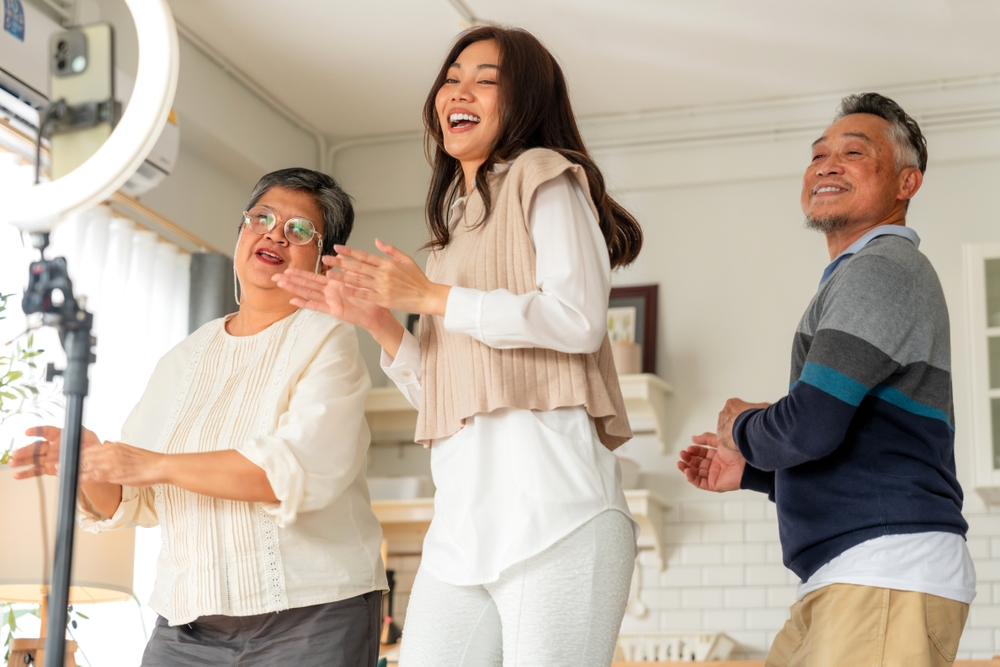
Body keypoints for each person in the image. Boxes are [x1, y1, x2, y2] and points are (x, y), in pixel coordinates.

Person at [276, 26, 643, 667]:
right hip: (461, 533)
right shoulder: (451, 236)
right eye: (450, 77)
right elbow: (446, 390)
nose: (458, 91)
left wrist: (435, 299)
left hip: (560, 517)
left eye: (485, 79)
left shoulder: (546, 177)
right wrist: (383, 322)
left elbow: (578, 319)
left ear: (525, 100)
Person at [12, 168, 388, 667]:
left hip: (310, 620)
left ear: (322, 264)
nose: (275, 233)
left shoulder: (328, 339)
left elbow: (289, 472)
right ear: (241, 232)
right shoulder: (185, 357)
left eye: (299, 231)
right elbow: (129, 499)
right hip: (187, 628)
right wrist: (90, 465)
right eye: (262, 217)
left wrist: (154, 464)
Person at [677, 93, 974, 667]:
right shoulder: (863, 276)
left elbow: (810, 424)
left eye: (854, 152)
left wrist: (742, 427)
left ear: (906, 183)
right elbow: (849, 437)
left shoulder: (881, 267)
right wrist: (758, 470)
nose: (826, 164)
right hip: (856, 572)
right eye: (818, 155)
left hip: (884, 569)